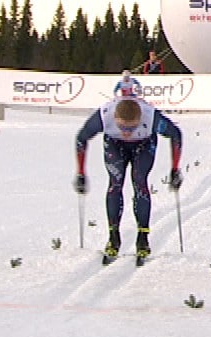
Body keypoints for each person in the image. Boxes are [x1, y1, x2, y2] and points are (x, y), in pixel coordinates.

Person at [73, 93, 184, 266]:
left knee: (140, 182)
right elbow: (81, 137)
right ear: (114, 118)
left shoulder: (151, 117)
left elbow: (176, 134)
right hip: (114, 144)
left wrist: (175, 169)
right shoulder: (104, 116)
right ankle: (113, 237)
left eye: (132, 128)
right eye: (122, 127)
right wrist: (80, 172)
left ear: (140, 119)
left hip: (144, 143)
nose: (126, 133)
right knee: (115, 184)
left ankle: (142, 238)